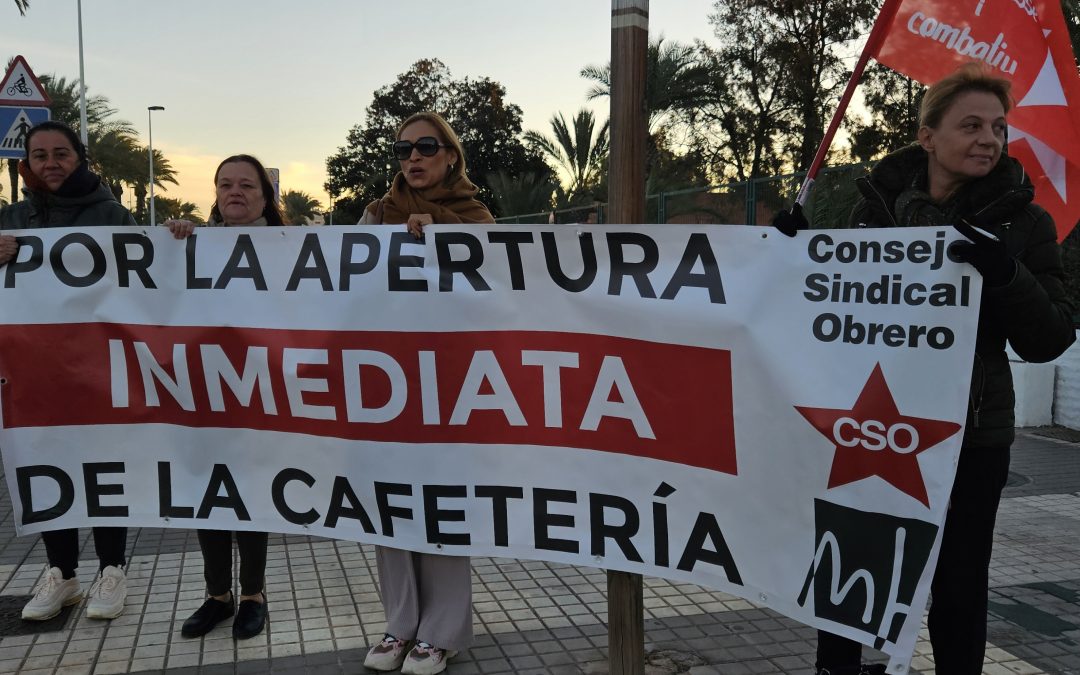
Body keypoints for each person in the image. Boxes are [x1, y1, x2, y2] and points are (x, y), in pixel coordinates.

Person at [811, 65, 1075, 675]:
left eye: (999, 128)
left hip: (971, 436)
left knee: (959, 579)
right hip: (868, 425)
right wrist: (788, 252)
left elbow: (1051, 336)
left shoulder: (1025, 224)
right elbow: (822, 309)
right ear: (928, 136)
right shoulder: (871, 215)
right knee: (851, 563)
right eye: (972, 125)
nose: (990, 139)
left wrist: (1007, 276)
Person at [360, 112, 494, 675]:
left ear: (450, 156)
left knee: (441, 507)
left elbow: (494, 288)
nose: (412, 158)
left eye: (425, 147)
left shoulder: (475, 216)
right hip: (387, 380)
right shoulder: (374, 215)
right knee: (389, 505)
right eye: (402, 150)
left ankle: (441, 633)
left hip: (450, 381)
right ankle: (400, 624)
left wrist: (440, 230)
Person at [0, 120, 137, 622]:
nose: (51, 163)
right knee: (47, 462)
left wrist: (176, 239)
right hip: (36, 371)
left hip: (100, 368)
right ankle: (62, 574)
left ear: (79, 157)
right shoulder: (10, 217)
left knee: (103, 468)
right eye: (40, 155)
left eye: (61, 153)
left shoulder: (113, 215)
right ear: (27, 164)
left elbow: (153, 281)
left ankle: (112, 570)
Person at [165, 154, 282, 640]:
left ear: (264, 195)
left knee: (251, 492)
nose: (235, 192)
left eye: (246, 185)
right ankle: (218, 595)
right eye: (225, 184)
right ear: (215, 192)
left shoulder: (290, 248)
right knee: (207, 494)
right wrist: (169, 242)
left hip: (262, 392)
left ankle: (253, 595)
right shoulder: (192, 245)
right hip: (203, 391)